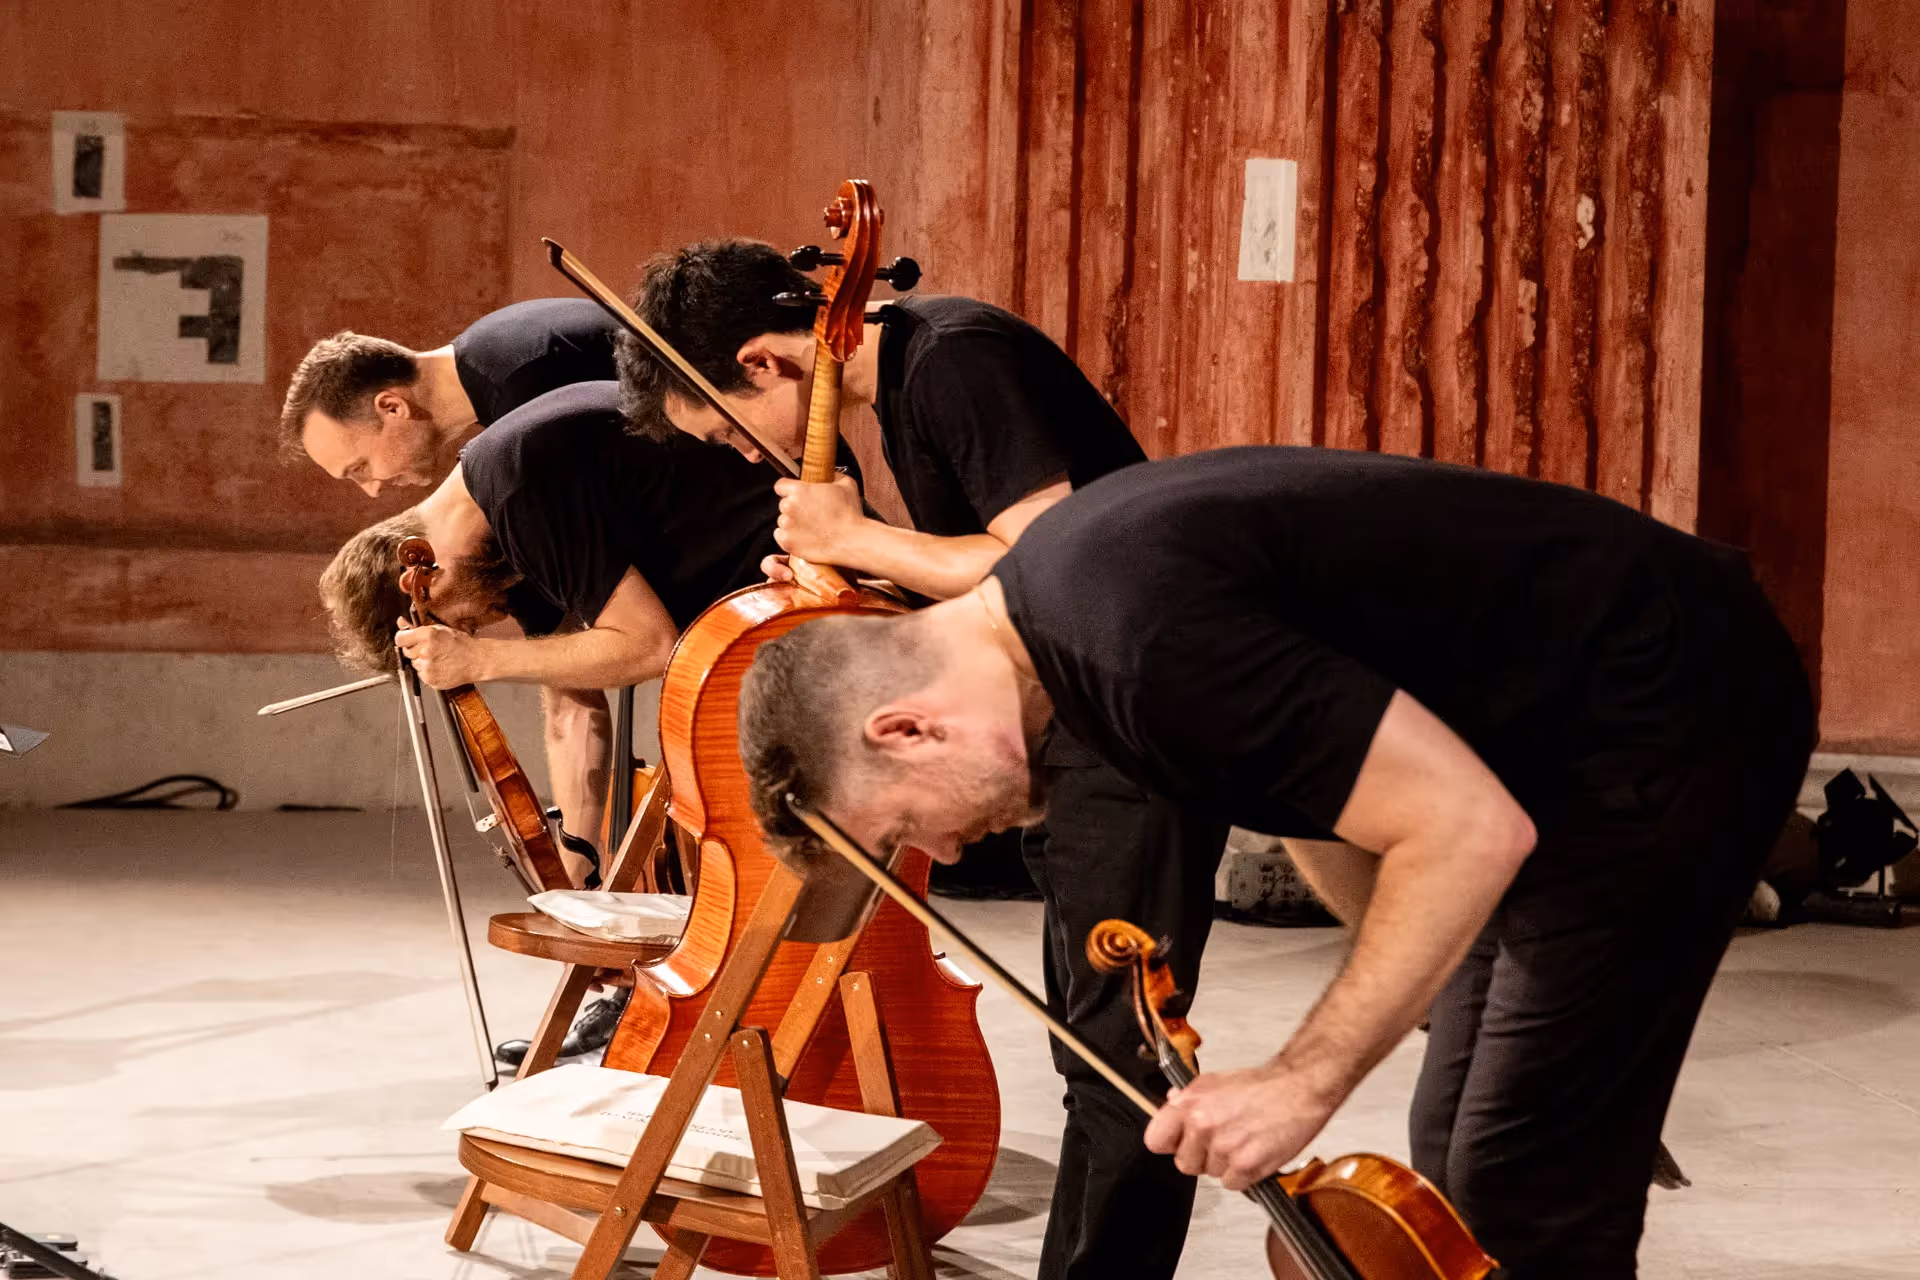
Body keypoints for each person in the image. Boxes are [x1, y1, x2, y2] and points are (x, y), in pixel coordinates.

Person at [732, 447, 1814, 1279]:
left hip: (1666, 704)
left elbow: (1464, 827)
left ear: (905, 729)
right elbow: (1311, 796)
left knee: (1523, 1176)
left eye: (901, 828)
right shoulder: (1062, 626)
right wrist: (1438, 996)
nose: (944, 850)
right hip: (1548, 740)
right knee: (1454, 1142)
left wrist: (1303, 1078)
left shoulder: (1133, 645)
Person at [617, 239, 1228, 1280]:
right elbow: (989, 585)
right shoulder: (908, 382)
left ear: (764, 361)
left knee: (1123, 1058)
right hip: (1081, 719)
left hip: (1133, 718)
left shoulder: (955, 358)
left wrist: (863, 540)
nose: (746, 455)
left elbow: (1055, 561)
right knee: (1094, 1054)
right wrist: (866, 578)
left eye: (727, 427)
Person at [320, 380, 780, 1063]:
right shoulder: (494, 538)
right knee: (670, 819)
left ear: (424, 577)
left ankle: (742, 1012)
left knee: (722, 812)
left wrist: (480, 657)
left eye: (464, 624)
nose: (485, 626)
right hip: (735, 613)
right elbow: (571, 704)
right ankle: (652, 997)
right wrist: (577, 875)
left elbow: (646, 645)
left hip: (778, 575)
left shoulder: (519, 486)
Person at [282, 298, 619, 496]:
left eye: (360, 468)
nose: (373, 490)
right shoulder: (491, 351)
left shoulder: (523, 389)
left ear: (392, 407)